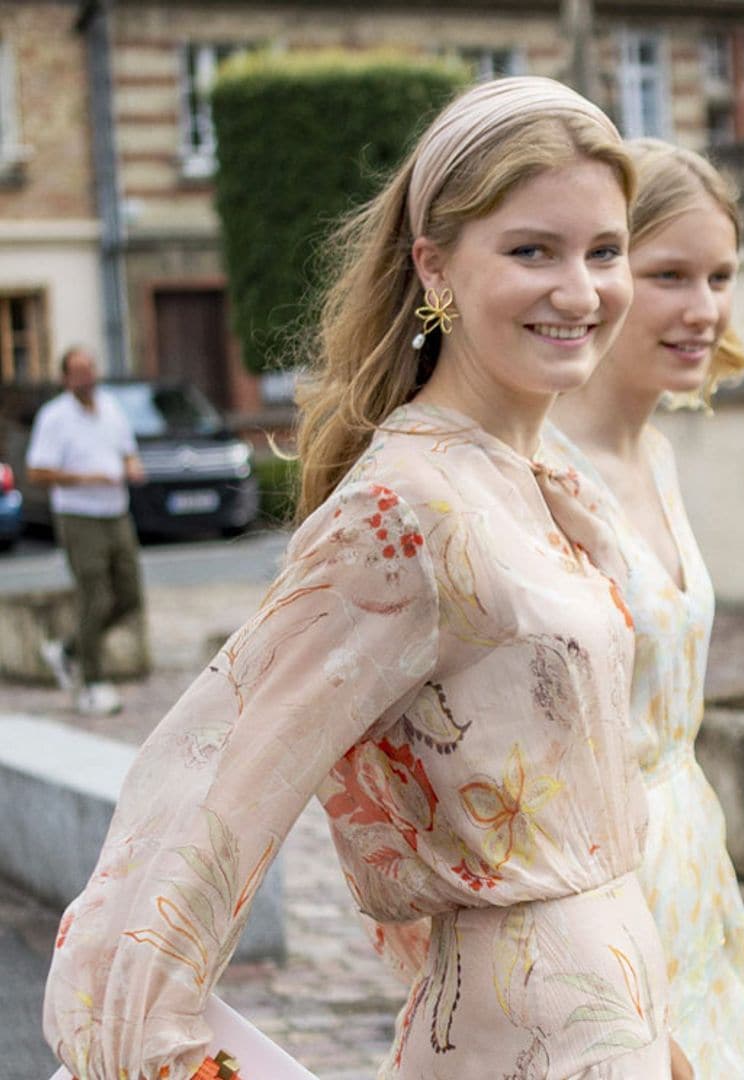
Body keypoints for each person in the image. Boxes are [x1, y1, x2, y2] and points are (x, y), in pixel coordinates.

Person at [43, 77, 678, 1079]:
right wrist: (157, 1036)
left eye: (605, 251)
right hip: (523, 1034)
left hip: (615, 1002)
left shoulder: (546, 480)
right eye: (531, 251)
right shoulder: (403, 511)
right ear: (435, 267)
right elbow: (210, 780)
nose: (582, 289)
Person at [548, 138, 744, 1079]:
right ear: (604, 277)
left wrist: (733, 939)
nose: (705, 309)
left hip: (692, 895)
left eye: (720, 275)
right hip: (597, 923)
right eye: (670, 275)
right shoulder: (540, 476)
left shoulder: (660, 457)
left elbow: (676, 748)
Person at [26, 345, 145, 717]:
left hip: (116, 512)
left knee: (129, 595)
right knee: (95, 596)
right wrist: (83, 477)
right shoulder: (55, 417)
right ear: (65, 378)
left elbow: (127, 451)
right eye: (78, 371)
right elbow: (37, 472)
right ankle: (92, 684)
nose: (87, 377)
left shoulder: (110, 407)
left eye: (90, 368)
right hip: (79, 516)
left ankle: (67, 650)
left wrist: (132, 466)